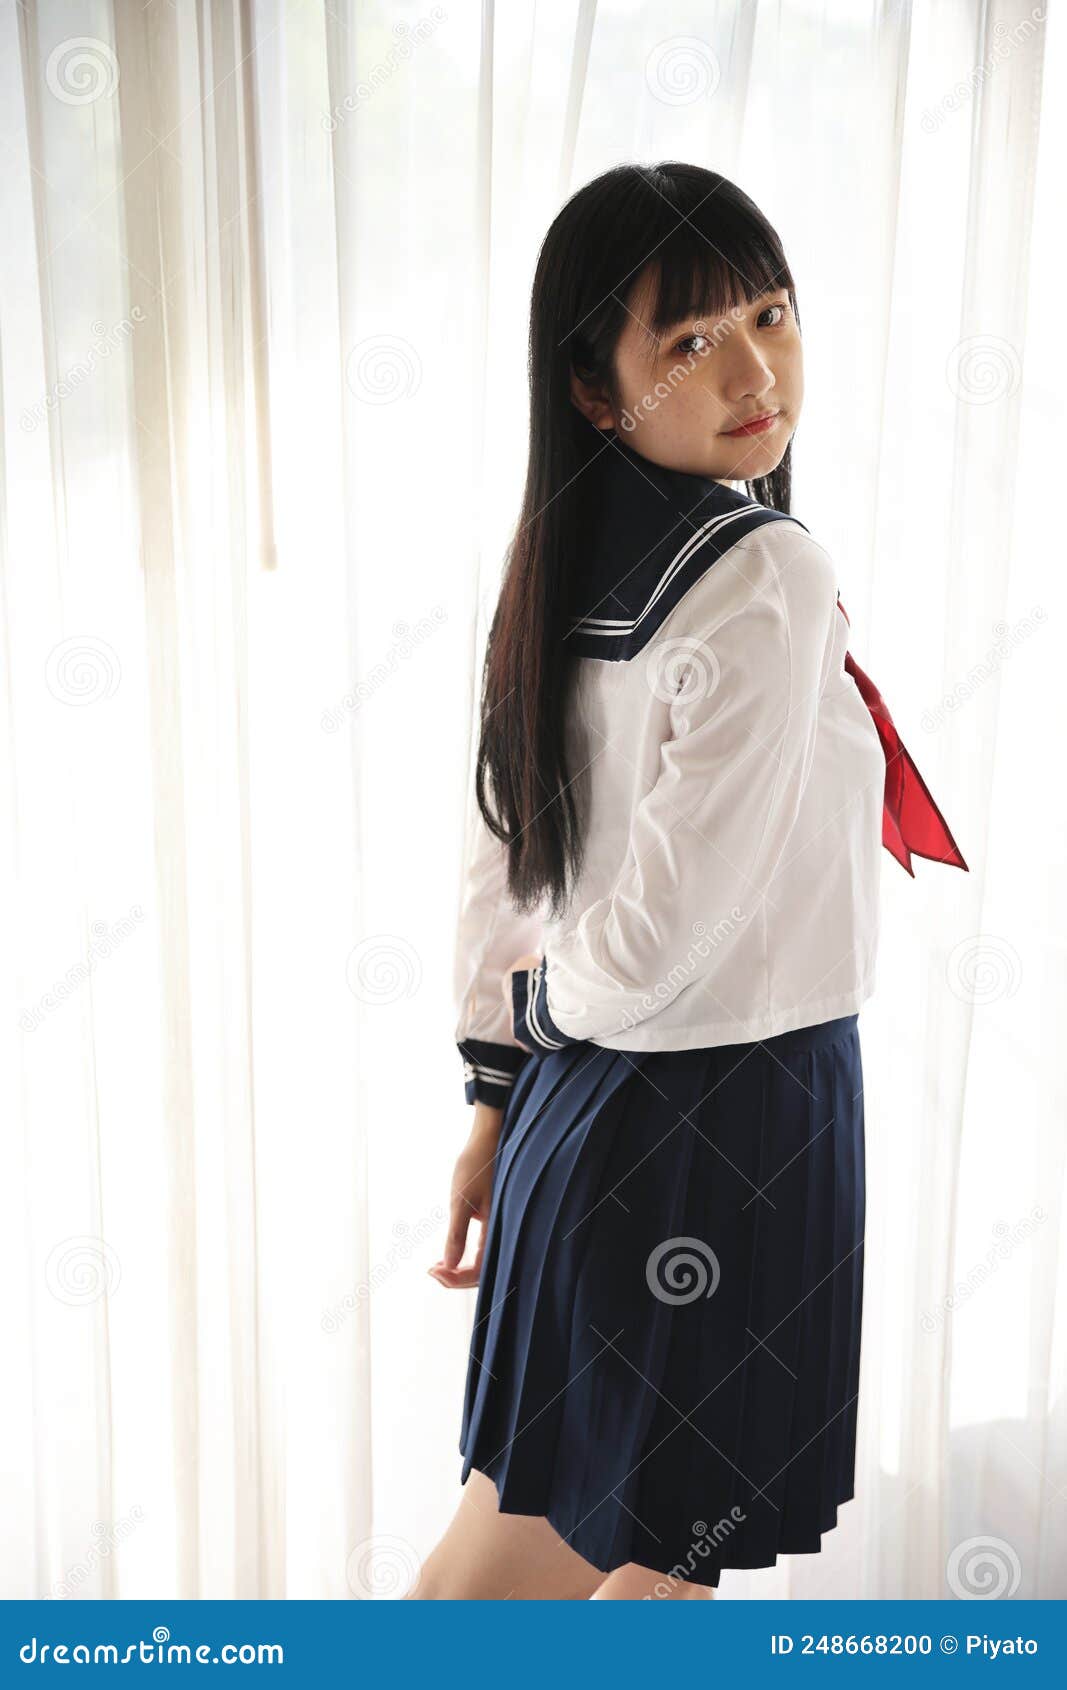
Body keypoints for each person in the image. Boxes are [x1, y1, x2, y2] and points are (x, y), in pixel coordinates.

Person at [415, 161, 967, 1602]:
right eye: (688, 341)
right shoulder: (765, 570)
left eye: (771, 315)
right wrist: (544, 1015)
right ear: (597, 390)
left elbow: (505, 852)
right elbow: (658, 937)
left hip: (577, 1124)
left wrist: (494, 1090)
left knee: (500, 1567)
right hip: (732, 1118)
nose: (754, 369)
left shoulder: (561, 557)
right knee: (656, 1590)